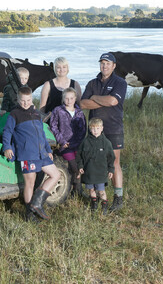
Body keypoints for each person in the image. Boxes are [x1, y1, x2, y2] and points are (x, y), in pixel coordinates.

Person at [2, 86, 61, 221]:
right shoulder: (14, 114)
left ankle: (37, 204)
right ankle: (29, 214)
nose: (25, 103)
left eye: (28, 100)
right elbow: (7, 131)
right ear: (18, 99)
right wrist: (7, 147)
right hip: (27, 154)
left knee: (55, 175)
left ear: (31, 99)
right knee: (30, 182)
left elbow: (42, 133)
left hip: (41, 153)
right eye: (23, 100)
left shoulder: (36, 113)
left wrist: (48, 150)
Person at [80, 52, 127, 213]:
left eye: (108, 63)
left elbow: (113, 101)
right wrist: (103, 100)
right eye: (102, 63)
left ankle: (118, 198)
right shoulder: (92, 83)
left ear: (114, 66)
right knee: (93, 161)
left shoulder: (120, 82)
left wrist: (94, 97)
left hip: (113, 128)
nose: (104, 66)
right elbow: (83, 104)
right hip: (94, 130)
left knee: (114, 163)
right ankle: (97, 197)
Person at [48, 87, 86, 197]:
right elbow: (53, 127)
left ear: (75, 98)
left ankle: (76, 191)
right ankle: (75, 189)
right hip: (65, 145)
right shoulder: (58, 110)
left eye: (71, 98)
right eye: (66, 98)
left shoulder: (79, 112)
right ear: (63, 98)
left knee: (78, 166)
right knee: (74, 167)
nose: (69, 101)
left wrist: (79, 142)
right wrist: (62, 141)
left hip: (77, 145)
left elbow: (83, 129)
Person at [77, 118, 115, 214]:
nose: (95, 131)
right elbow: (79, 155)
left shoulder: (106, 143)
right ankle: (94, 205)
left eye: (98, 128)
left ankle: (104, 206)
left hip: (101, 172)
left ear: (102, 128)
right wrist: (80, 166)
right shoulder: (85, 142)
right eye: (93, 128)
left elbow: (111, 157)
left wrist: (111, 169)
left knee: (101, 191)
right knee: (91, 189)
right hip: (89, 171)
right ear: (90, 129)